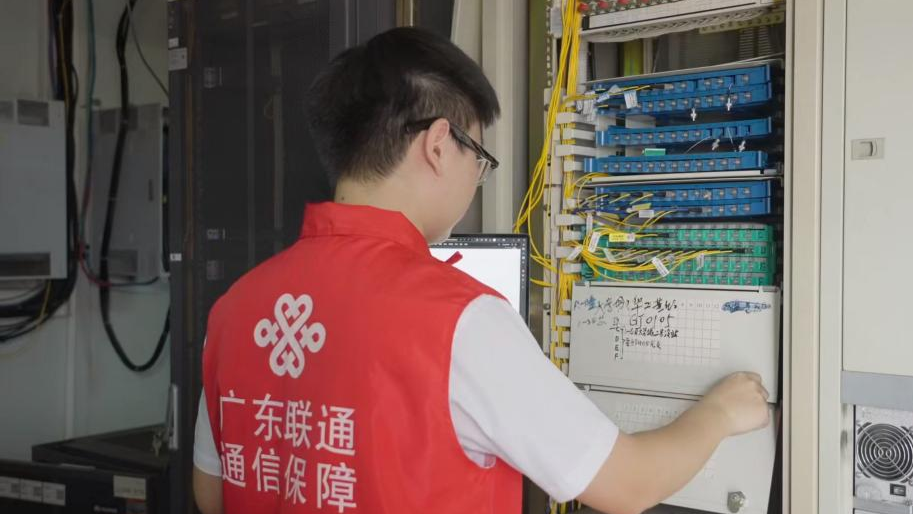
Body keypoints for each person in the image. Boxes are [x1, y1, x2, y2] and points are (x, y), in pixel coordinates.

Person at [192, 26, 770, 514]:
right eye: (481, 160)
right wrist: (720, 413)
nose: (476, 181)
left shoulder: (234, 309)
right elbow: (628, 484)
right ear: (439, 144)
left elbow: (212, 493)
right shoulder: (459, 321)